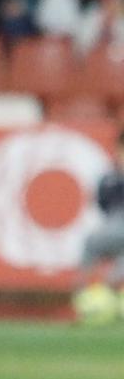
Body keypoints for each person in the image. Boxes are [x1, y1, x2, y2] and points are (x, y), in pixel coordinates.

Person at [73, 130, 124, 325]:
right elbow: (103, 206)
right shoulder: (108, 179)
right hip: (112, 228)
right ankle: (83, 297)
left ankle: (109, 289)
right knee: (90, 241)